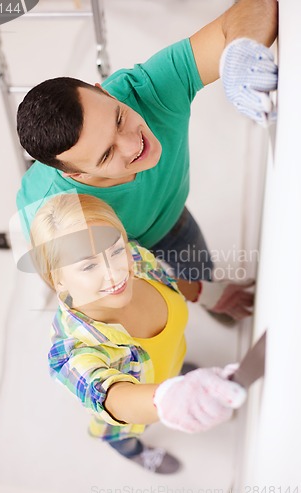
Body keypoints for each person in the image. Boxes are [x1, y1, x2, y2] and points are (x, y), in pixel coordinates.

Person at [16, 0, 278, 285]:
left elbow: (253, 6)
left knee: (206, 282)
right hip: (107, 251)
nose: (133, 145)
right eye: (106, 155)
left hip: (169, 219)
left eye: (118, 119)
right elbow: (66, 284)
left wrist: (240, 54)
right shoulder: (55, 217)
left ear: (105, 92)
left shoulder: (146, 90)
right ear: (76, 174)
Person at [27, 193, 248, 474]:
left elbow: (168, 280)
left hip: (167, 364)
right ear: (56, 279)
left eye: (115, 248)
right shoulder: (71, 351)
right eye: (88, 265)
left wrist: (208, 294)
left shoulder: (135, 258)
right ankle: (135, 453)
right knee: (124, 437)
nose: (115, 273)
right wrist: (166, 398)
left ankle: (174, 375)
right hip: (130, 417)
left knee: (174, 368)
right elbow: (111, 397)